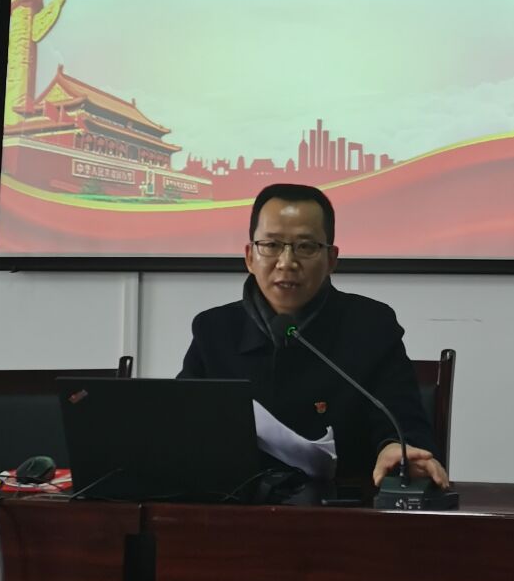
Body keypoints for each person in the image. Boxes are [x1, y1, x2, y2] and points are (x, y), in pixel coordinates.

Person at [179, 183, 450, 493]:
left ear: (332, 259)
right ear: (250, 256)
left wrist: (395, 448)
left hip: (345, 509)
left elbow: (403, 421)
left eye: (305, 247)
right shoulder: (214, 330)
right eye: (271, 245)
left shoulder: (371, 326)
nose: (286, 262)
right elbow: (181, 428)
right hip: (236, 509)